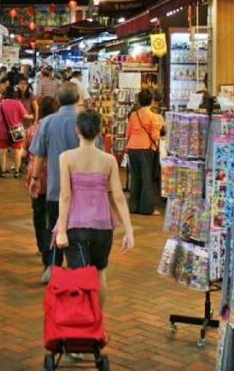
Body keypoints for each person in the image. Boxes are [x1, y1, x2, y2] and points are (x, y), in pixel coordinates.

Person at [55, 109, 134, 308]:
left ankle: (81, 323)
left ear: (77, 130)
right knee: (99, 272)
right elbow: (118, 197)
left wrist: (62, 231)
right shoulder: (109, 160)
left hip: (75, 225)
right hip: (102, 225)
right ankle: (96, 321)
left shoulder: (66, 158)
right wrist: (129, 231)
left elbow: (65, 196)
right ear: (100, 131)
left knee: (78, 277)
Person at [29, 82, 103, 283]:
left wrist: (35, 179)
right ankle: (80, 269)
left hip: (56, 189)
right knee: (82, 231)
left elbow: (40, 156)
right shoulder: (87, 120)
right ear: (79, 98)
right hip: (86, 191)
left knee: (54, 228)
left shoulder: (48, 122)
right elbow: (100, 154)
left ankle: (52, 267)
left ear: (59, 100)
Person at [26, 97, 60, 261]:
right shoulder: (58, 128)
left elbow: (27, 151)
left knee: (38, 212)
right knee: (53, 214)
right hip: (54, 176)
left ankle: (41, 245)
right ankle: (51, 247)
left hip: (36, 176)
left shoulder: (32, 129)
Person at [125, 88, 164, 215]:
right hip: (145, 149)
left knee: (135, 178)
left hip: (132, 148)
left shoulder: (133, 115)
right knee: (147, 179)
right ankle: (147, 209)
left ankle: (133, 206)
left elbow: (128, 133)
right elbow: (155, 136)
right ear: (152, 101)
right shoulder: (154, 117)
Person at [0, 84, 29, 177]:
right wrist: (33, 116)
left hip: (2, 131)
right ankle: (17, 172)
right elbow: (25, 116)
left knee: (2, 151)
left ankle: (2, 172)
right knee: (17, 151)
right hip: (17, 130)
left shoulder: (0, 104)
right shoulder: (18, 103)